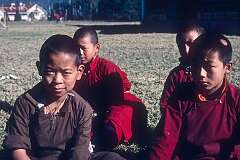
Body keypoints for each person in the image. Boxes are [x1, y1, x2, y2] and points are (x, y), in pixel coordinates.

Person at [3, 34, 126, 160]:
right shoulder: (25, 103)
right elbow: (18, 150)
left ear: (79, 72)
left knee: (111, 158)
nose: (57, 80)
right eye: (50, 71)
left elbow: (80, 152)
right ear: (40, 68)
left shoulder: (82, 108)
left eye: (66, 73)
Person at [148, 32, 240, 160]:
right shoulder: (182, 96)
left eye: (209, 66)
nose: (201, 73)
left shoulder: (236, 100)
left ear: (227, 67)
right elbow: (164, 141)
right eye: (195, 65)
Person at [73, 27, 148, 151]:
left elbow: (117, 99)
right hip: (96, 111)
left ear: (96, 48)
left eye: (84, 48)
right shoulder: (73, 69)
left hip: (118, 106)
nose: (80, 52)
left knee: (120, 115)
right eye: (76, 48)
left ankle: (103, 141)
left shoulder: (107, 68)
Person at [160, 23, 205, 108]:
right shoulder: (177, 75)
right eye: (181, 45)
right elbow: (165, 105)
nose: (186, 50)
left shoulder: (212, 71)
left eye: (190, 44)